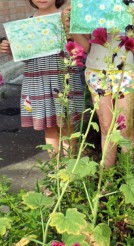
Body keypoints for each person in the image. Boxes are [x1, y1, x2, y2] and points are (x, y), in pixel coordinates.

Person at [62, 3, 134, 169]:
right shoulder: (88, 4)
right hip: (96, 71)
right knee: (106, 126)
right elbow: (86, 47)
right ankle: (106, 176)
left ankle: (130, 175)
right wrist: (73, 26)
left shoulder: (132, 3)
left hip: (125, 72)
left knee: (126, 128)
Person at [0, 0, 84, 158]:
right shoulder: (25, 26)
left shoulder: (66, 19)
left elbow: (81, 48)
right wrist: (11, 50)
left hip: (63, 79)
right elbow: (26, 57)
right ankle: (56, 171)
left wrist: (72, 29)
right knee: (49, 127)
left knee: (67, 126)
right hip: (38, 81)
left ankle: (70, 172)